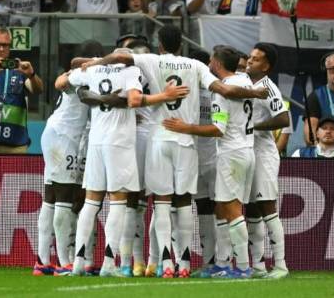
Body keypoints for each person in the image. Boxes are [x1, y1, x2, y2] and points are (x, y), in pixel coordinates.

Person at [82, 25, 266, 278]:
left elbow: (119, 57)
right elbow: (224, 89)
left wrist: (96, 62)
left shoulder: (151, 60)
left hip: (159, 139)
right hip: (186, 142)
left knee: (161, 203)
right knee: (183, 204)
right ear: (181, 44)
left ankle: (165, 265)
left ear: (159, 44)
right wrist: (255, 92)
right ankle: (185, 264)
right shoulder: (196, 65)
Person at [59, 49, 189, 278]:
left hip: (96, 142)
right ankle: (109, 263)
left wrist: (89, 93)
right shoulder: (131, 71)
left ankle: (78, 262)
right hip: (119, 143)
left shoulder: (93, 69)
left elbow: (61, 82)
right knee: (118, 202)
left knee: (91, 202)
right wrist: (165, 96)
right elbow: (135, 100)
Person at [161, 45, 256, 279]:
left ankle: (243, 267)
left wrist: (186, 127)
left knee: (232, 210)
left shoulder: (221, 92)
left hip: (231, 153)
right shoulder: (245, 82)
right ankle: (223, 263)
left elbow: (218, 129)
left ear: (217, 64)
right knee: (223, 208)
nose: (209, 64)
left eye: (212, 61)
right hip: (246, 149)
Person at [35, 40, 102, 277]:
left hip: (60, 134)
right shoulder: (82, 72)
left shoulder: (78, 73)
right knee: (63, 195)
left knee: (51, 197)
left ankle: (43, 260)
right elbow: (68, 74)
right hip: (63, 136)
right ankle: (64, 262)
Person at [244, 43, 290, 280]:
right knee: (251, 209)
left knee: (267, 207)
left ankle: (281, 266)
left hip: (263, 154)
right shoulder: (245, 84)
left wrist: (252, 127)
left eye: (257, 59)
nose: (250, 61)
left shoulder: (268, 88)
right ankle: (258, 265)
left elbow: (282, 118)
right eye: (250, 57)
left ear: (267, 66)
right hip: (247, 153)